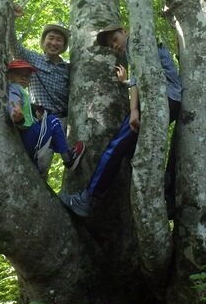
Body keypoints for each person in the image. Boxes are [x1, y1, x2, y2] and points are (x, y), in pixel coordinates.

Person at [59, 24, 182, 218]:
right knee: (134, 151)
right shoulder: (145, 43)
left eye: (115, 39)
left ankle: (88, 198)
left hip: (161, 98)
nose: (115, 46)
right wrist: (126, 82)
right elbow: (145, 76)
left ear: (125, 31)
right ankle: (157, 197)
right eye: (111, 45)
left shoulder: (138, 41)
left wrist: (134, 109)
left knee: (116, 147)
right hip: (171, 100)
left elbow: (139, 80)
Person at [13, 6, 70, 175]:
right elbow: (13, 45)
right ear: (43, 41)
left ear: (64, 46)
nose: (54, 43)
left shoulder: (69, 68)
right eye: (50, 38)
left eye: (59, 40)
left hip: (67, 119)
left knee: (75, 158)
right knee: (40, 163)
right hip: (41, 118)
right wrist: (12, 19)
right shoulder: (33, 58)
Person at [6, 59, 85, 174]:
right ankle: (68, 158)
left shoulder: (21, 91)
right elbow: (14, 100)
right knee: (53, 121)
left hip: (27, 137)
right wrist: (16, 113)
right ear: (9, 76)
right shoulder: (14, 87)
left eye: (27, 76)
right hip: (28, 133)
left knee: (36, 171)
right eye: (19, 75)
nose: (24, 78)